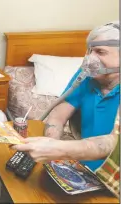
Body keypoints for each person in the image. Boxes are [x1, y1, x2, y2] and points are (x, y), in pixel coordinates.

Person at [12, 22, 120, 172]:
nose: (89, 59)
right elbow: (58, 115)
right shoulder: (86, 76)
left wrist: (61, 149)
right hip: (85, 170)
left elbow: (114, 143)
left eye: (100, 52)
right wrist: (51, 143)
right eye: (89, 51)